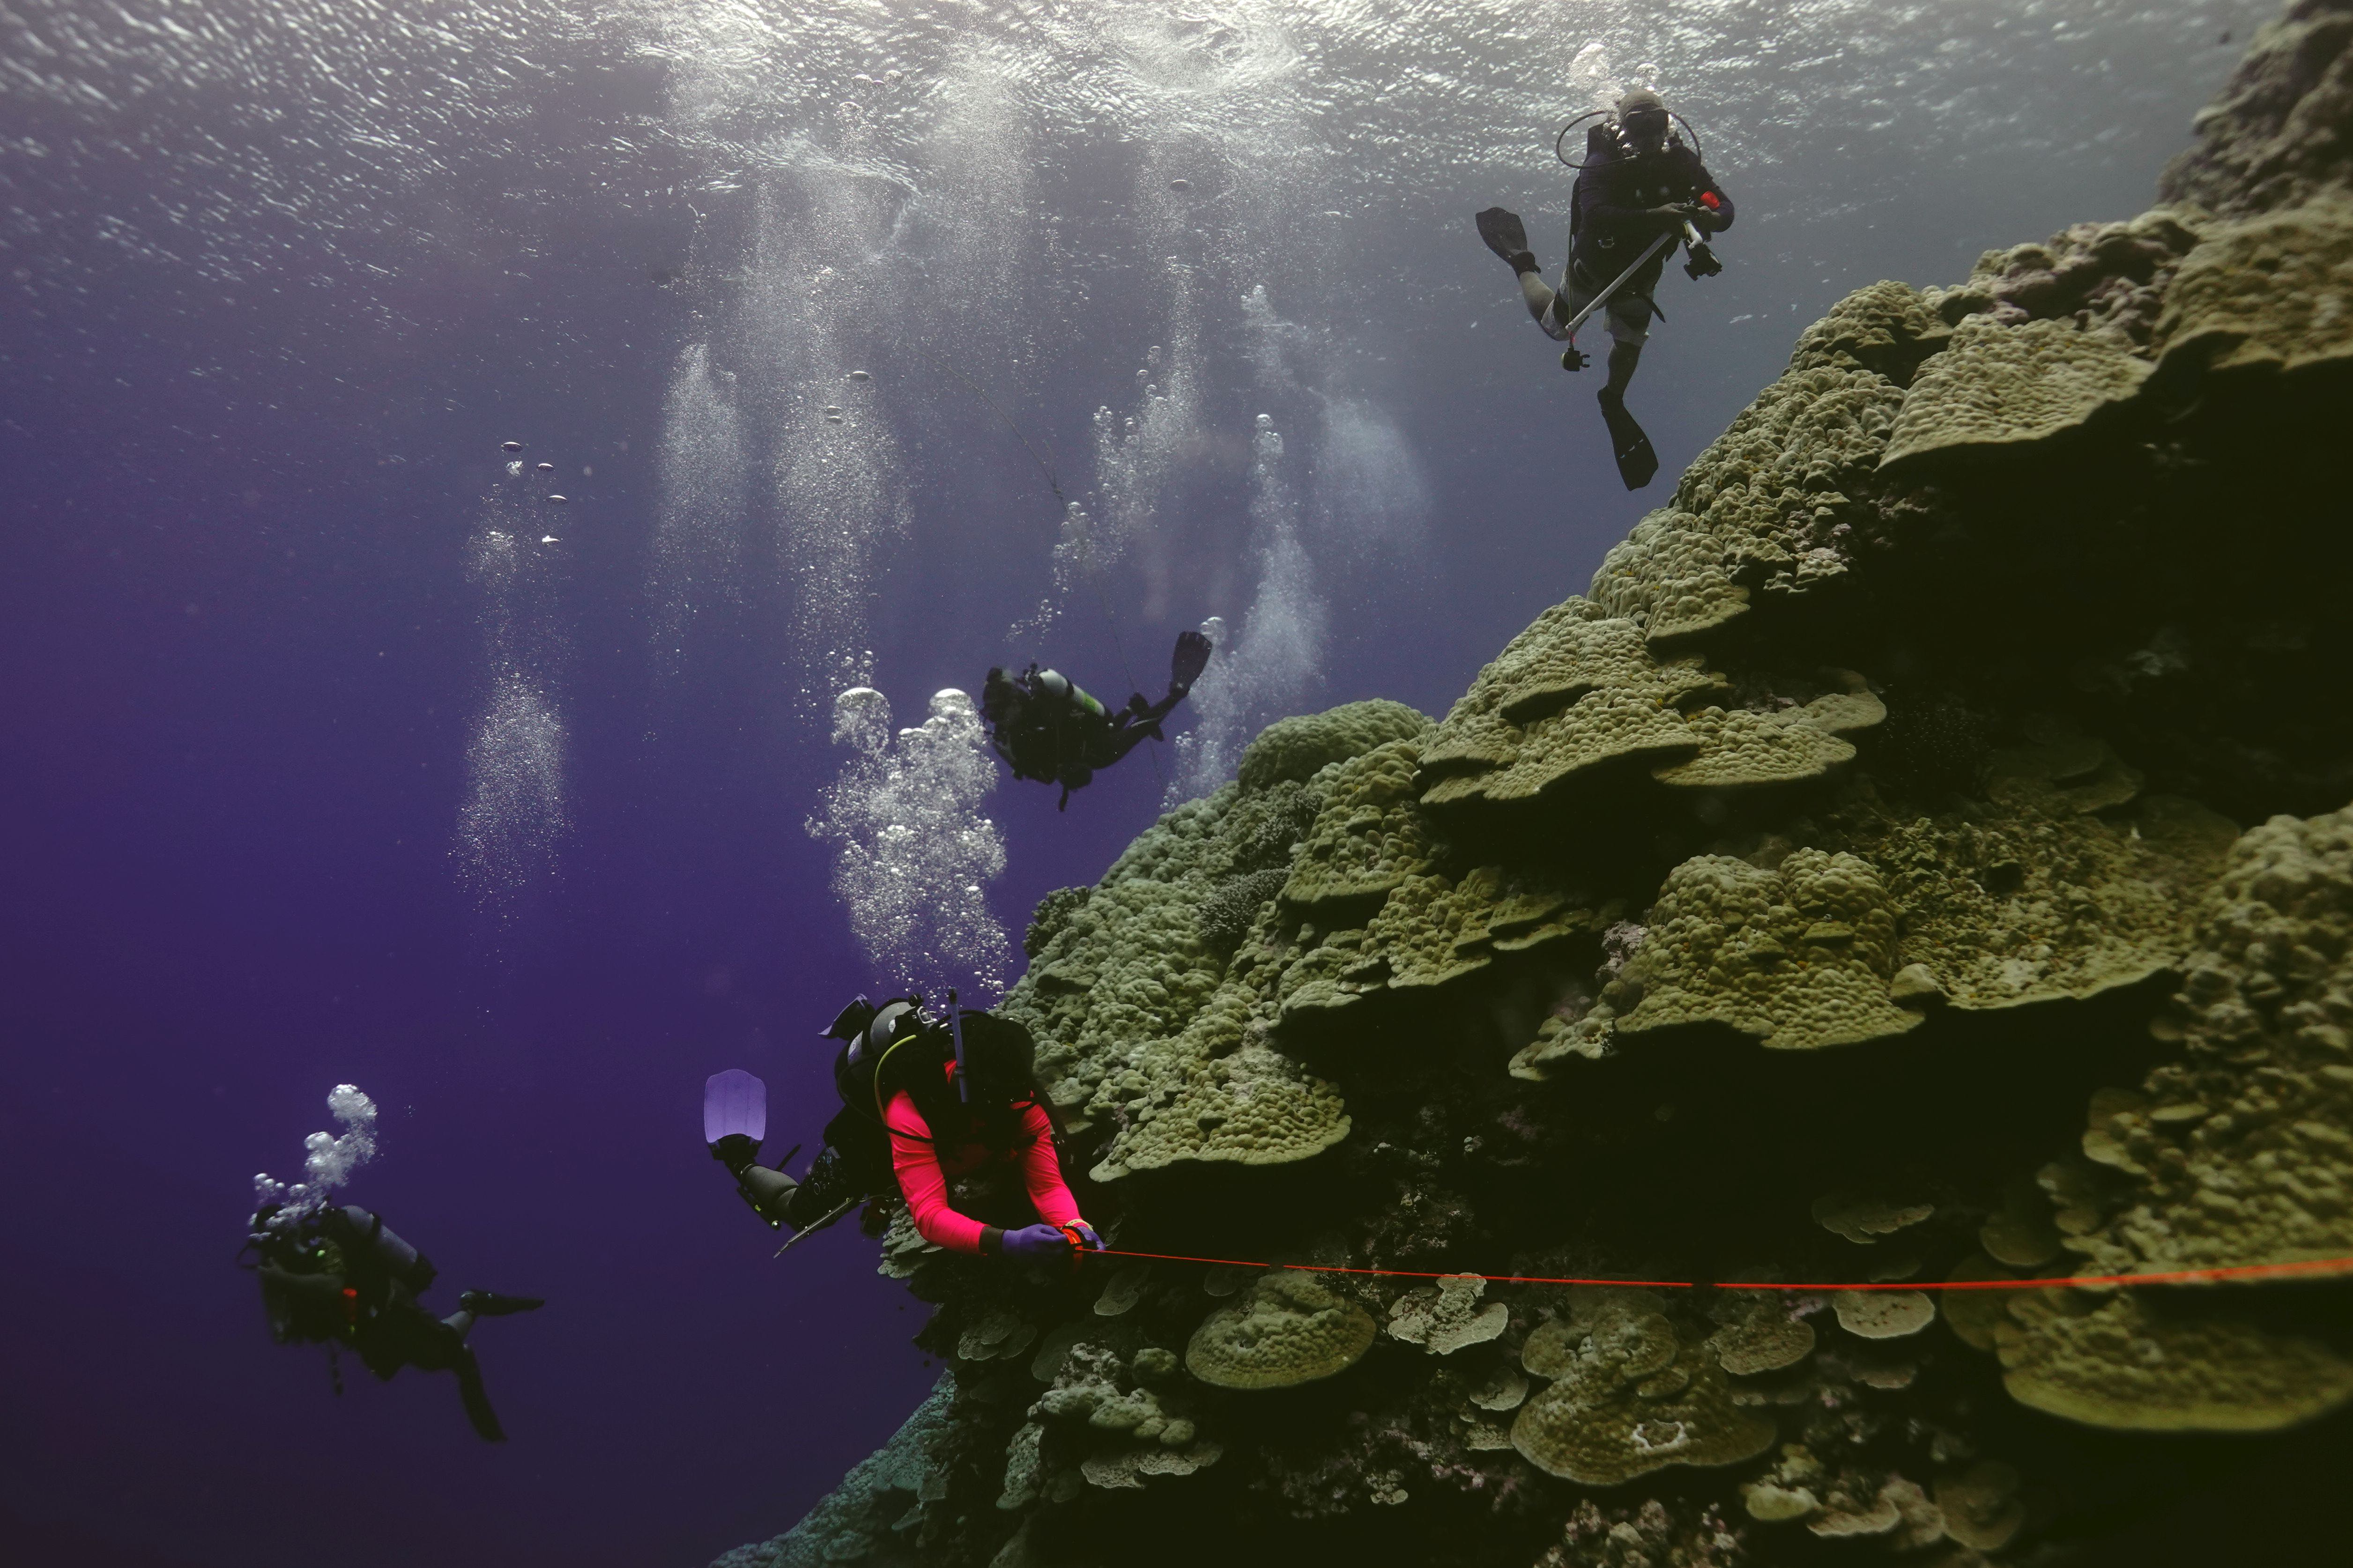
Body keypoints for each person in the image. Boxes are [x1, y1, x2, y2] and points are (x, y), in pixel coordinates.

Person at [706, 996, 1104, 1261]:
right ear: (970, 1092)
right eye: (994, 1105)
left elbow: (1047, 1186)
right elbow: (928, 1216)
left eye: (1011, 1101)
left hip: (954, 1152)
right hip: (870, 1152)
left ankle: (863, 1019)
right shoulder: (908, 1110)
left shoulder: (1019, 1099)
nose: (1007, 1110)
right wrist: (1008, 1242)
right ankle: (739, 1157)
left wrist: (1074, 1225)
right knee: (801, 1212)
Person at [1476, 88, 1735, 488]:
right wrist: (1656, 216)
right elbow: (1594, 216)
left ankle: (1612, 400)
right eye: (1638, 126)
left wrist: (1709, 217)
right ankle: (1521, 263)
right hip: (1594, 267)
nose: (1649, 136)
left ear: (1668, 123)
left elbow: (1724, 207)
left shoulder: (1682, 163)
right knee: (1557, 328)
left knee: (1630, 342)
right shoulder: (1602, 163)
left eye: (1657, 125)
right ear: (1623, 128)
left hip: (1641, 277)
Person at [241, 1202, 542, 1441]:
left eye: (283, 1233)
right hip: (366, 1336)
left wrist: (284, 1279)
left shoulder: (324, 1241)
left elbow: (334, 1284)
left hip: (390, 1310)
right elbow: (281, 1333)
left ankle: (471, 1312)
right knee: (424, 1359)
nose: (282, 1242)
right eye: (272, 1241)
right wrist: (271, 1288)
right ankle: (470, 1307)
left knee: (439, 1356)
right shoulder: (281, 1276)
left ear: (292, 1225)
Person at [981, 630, 1212, 809]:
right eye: (995, 716)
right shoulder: (1015, 738)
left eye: (999, 714)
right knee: (1116, 730)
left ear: (1013, 702)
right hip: (1092, 745)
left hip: (1096, 741)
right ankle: (1136, 707)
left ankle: (1174, 693)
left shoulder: (1040, 702)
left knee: (1131, 731)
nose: (1000, 720)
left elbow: (1113, 723)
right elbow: (1045, 775)